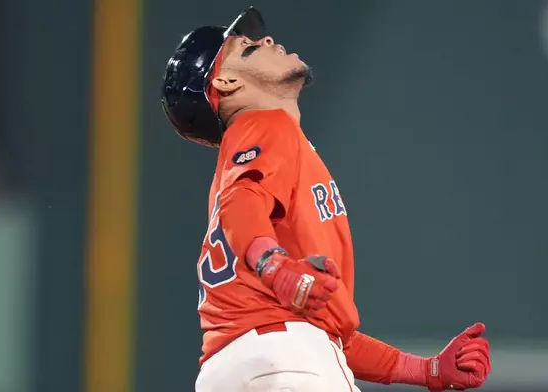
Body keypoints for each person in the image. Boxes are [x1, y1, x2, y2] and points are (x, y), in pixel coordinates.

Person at [161, 7, 491, 392]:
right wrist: (273, 265)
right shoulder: (264, 125)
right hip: (284, 358)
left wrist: (426, 370)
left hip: (245, 364)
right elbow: (242, 199)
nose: (266, 39)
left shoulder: (252, 156)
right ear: (227, 81)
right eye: (247, 47)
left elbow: (330, 331)